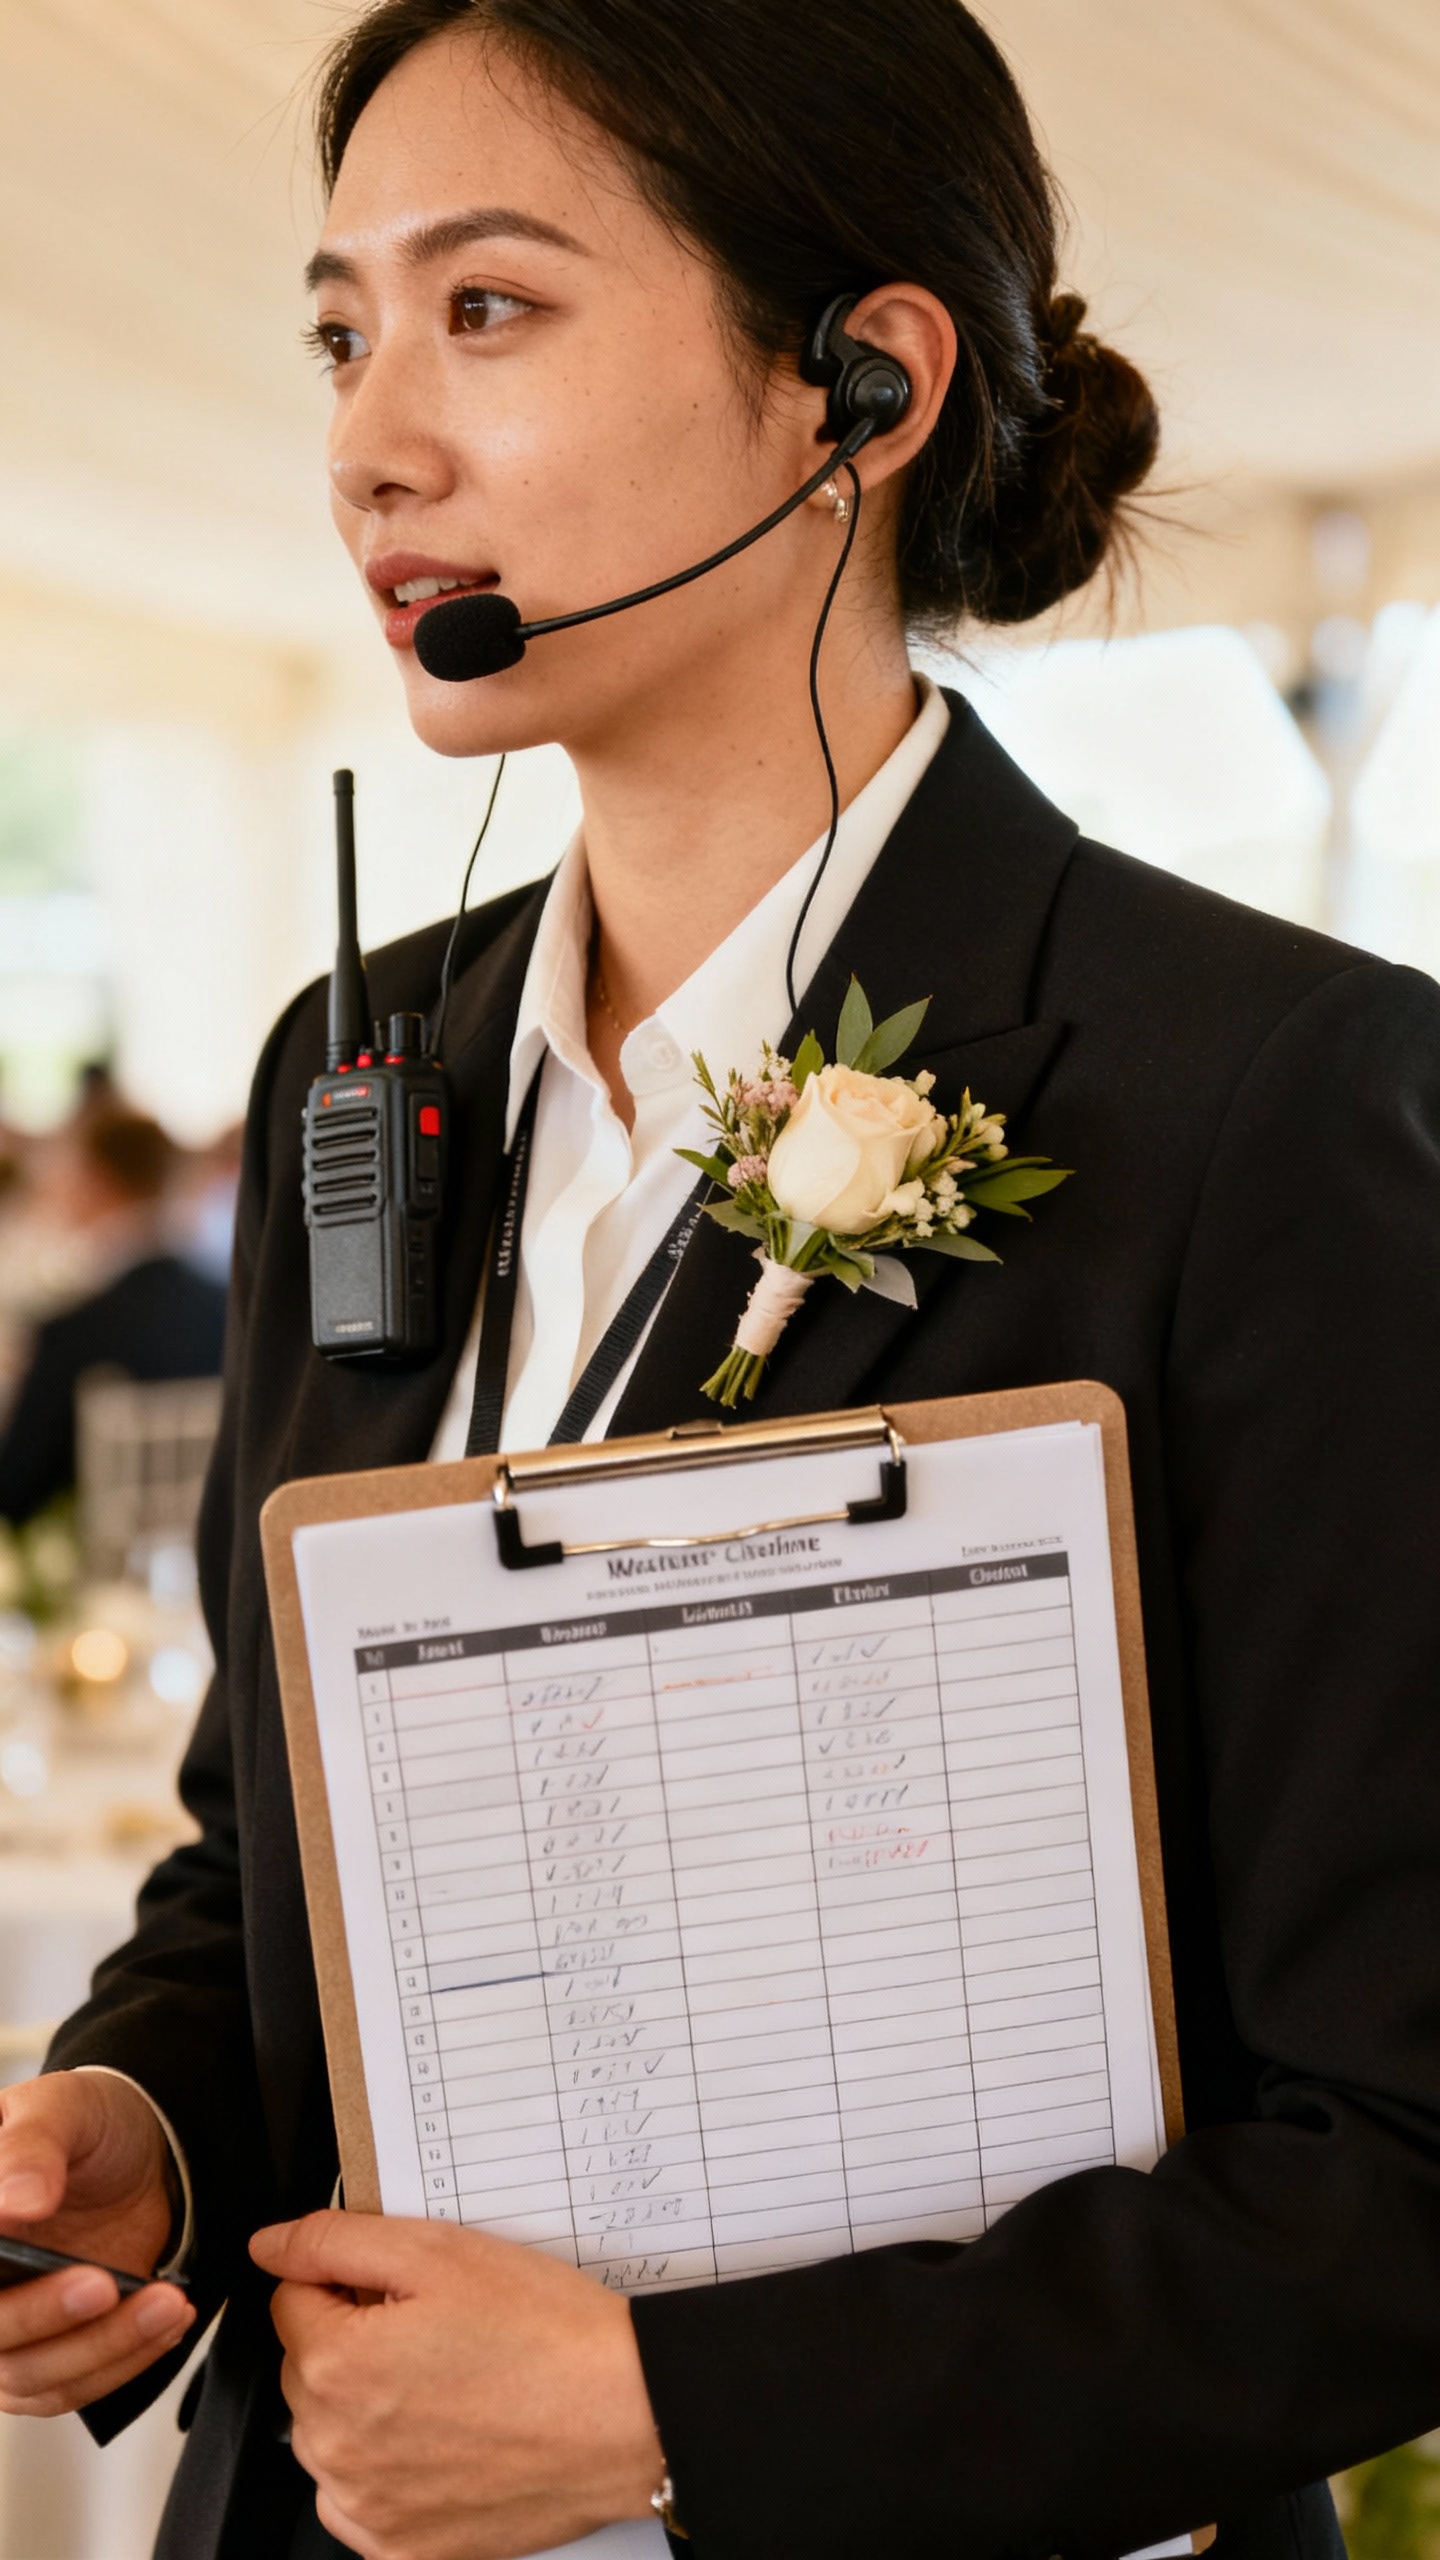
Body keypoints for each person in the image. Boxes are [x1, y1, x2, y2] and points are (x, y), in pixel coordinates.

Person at [0, 2, 1437, 2555]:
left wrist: (685, 2406)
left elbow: (1402, 2154)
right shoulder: (355, 1049)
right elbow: (271, 1858)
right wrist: (137, 2135)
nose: (369, 442)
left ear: (855, 385)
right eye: (341, 329)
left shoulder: (1275, 1098)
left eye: (488, 309)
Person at [0, 1107, 227, 1525]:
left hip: (98, 1553)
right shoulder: (228, 1307)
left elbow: (14, 1489)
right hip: (217, 1530)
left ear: (96, 1180)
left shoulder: (74, 1331)